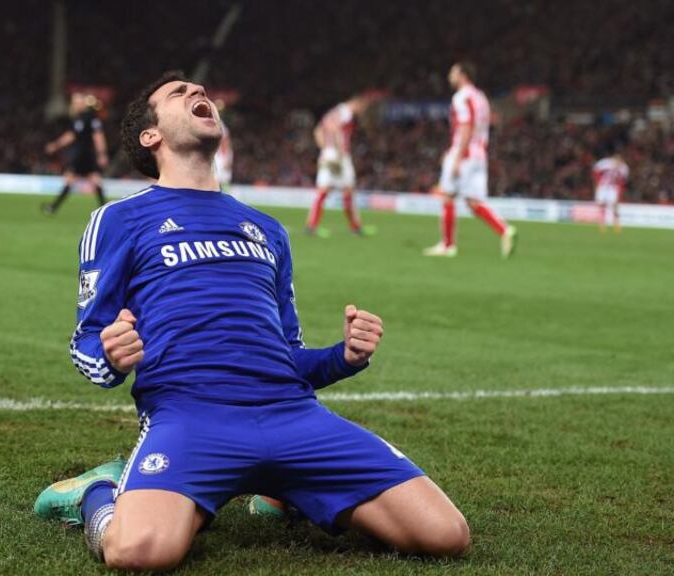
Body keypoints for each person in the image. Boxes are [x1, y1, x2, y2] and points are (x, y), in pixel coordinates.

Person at [34, 72, 469, 571]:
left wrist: (344, 357)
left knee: (445, 535)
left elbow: (291, 356)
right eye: (179, 93)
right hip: (191, 416)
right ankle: (97, 492)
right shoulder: (118, 220)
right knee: (139, 553)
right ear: (149, 137)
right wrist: (110, 357)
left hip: (293, 416)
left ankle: (283, 491)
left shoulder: (267, 229)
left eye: (200, 90)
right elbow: (86, 339)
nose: (198, 93)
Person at [424, 62, 516, 258]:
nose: (450, 76)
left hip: (464, 154)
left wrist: (457, 156)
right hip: (479, 154)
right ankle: (504, 230)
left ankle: (448, 245)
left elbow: (466, 126)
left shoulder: (461, 97)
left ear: (463, 75)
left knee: (447, 196)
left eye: (453, 72)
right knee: (473, 202)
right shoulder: (481, 97)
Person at [307, 95, 372, 236]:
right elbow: (335, 128)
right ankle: (355, 227)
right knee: (348, 190)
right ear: (358, 103)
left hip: (327, 154)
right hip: (339, 156)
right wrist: (339, 149)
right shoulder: (346, 111)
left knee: (322, 191)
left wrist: (325, 149)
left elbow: (317, 131)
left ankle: (311, 226)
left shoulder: (333, 112)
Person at [42, 93, 109, 215]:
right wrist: (56, 145)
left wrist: (101, 154)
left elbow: (98, 136)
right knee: (92, 180)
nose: (74, 105)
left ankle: (53, 207)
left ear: (83, 103)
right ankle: (105, 210)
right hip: (83, 154)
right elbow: (72, 135)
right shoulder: (80, 119)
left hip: (84, 154)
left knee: (73, 179)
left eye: (77, 102)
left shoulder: (90, 118)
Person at [592, 151, 629, 232]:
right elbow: (595, 170)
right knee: (602, 205)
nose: (617, 163)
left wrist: (620, 189)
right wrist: (598, 181)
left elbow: (623, 180)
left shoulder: (623, 167)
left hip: (612, 187)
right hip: (603, 187)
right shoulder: (605, 163)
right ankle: (602, 224)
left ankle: (616, 224)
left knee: (615, 205)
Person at [212, 101, 233, 193]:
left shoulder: (221, 125)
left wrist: (227, 158)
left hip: (220, 156)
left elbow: (226, 143)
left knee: (221, 180)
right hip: (216, 155)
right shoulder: (215, 124)